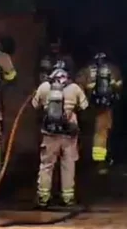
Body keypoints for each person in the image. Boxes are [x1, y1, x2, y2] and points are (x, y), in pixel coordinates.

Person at [31, 67, 89, 208]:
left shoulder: (44, 86)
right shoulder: (74, 87)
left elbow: (34, 105)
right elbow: (84, 106)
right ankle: (68, 198)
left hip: (49, 133)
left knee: (46, 166)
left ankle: (43, 198)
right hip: (69, 134)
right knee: (68, 165)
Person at [76, 52, 123, 174]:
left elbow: (78, 86)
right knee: (102, 132)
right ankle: (100, 161)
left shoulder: (86, 70)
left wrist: (82, 103)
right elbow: (119, 85)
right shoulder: (112, 69)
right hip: (106, 106)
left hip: (89, 106)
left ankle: (90, 158)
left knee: (87, 131)